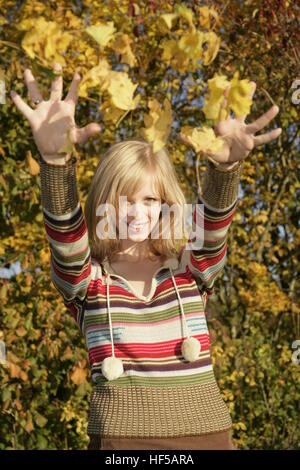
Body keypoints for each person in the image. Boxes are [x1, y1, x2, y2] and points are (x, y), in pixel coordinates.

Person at [11, 62, 282, 450]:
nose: (137, 212)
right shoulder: (90, 282)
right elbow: (65, 237)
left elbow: (213, 230)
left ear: (165, 204)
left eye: (150, 199)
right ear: (105, 202)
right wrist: (55, 164)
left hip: (208, 438)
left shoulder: (189, 269)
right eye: (125, 200)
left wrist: (225, 168)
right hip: (120, 446)